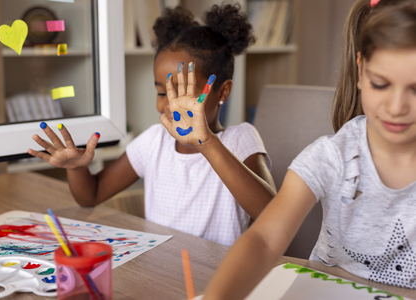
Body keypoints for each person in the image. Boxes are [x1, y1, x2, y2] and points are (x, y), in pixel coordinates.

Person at [165, 0, 416, 298]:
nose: (397, 106)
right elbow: (264, 239)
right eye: (381, 84)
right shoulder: (332, 156)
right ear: (361, 72)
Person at [27, 4, 276, 247]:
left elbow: (272, 214)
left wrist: (207, 143)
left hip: (217, 276)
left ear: (223, 91)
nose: (170, 105)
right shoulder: (154, 142)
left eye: (182, 93)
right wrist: (76, 168)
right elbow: (90, 195)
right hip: (158, 271)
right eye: (161, 92)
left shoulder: (240, 139)